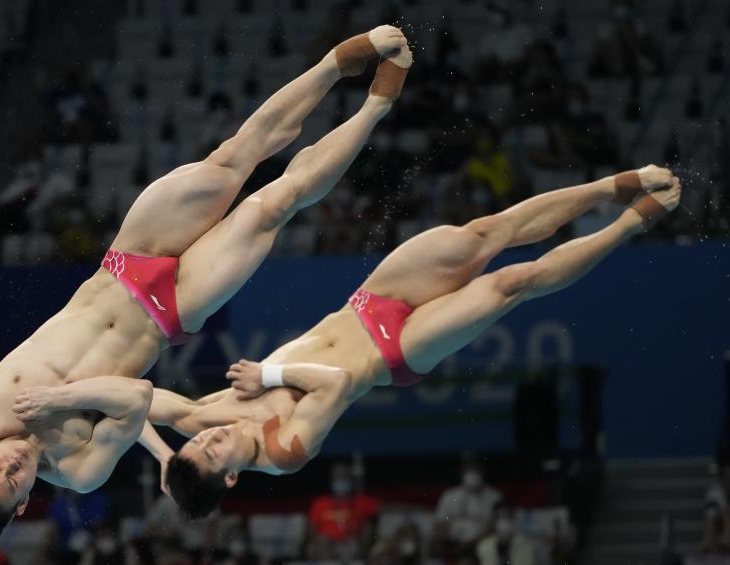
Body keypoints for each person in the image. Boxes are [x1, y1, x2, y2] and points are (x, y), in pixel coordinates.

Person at [0, 25, 414, 549]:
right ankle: (377, 104)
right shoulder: (77, 468)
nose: (12, 465)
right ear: (26, 499)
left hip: (126, 262)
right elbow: (137, 398)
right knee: (273, 206)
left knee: (234, 158)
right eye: (14, 484)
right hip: (173, 310)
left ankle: (336, 62)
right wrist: (57, 399)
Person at [150, 166, 681, 518]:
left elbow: (133, 403)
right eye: (211, 452)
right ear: (233, 477)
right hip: (397, 350)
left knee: (483, 233)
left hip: (366, 302)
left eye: (197, 444)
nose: (207, 440)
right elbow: (335, 385)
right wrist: (267, 376)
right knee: (512, 284)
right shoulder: (284, 452)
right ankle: (631, 223)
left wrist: (137, 444)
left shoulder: (201, 418)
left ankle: (612, 186)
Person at [307, 462, 379, 559]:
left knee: (351, 545)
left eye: (344, 477)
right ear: (332, 480)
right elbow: (311, 531)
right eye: (337, 477)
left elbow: (385, 508)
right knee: (322, 541)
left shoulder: (361, 502)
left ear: (351, 479)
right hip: (326, 546)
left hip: (351, 544)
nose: (341, 480)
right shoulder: (320, 504)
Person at [435, 453, 502, 548]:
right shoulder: (449, 495)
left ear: (482, 469)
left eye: (475, 468)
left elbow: (495, 525)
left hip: (482, 543)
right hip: (453, 544)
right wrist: (450, 539)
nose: (472, 472)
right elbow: (440, 522)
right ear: (461, 470)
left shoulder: (495, 497)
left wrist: (475, 541)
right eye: (468, 468)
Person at [704, 457, 730, 552]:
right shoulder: (715, 491)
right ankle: (709, 543)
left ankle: (726, 542)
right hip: (720, 518)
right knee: (712, 515)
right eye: (727, 474)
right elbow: (711, 513)